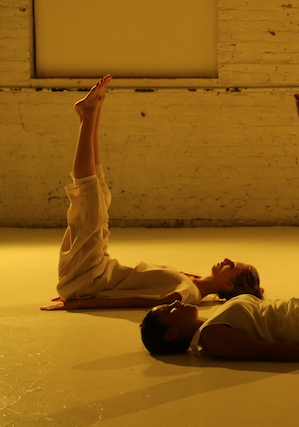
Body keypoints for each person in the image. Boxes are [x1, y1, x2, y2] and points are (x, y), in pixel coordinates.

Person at [140, 94, 299, 363]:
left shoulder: (214, 324)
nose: (175, 304)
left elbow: (269, 332)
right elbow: (267, 351)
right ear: (172, 334)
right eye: (169, 311)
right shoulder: (211, 338)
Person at [42, 75, 261, 311]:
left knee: (90, 197)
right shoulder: (193, 280)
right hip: (97, 271)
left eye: (232, 266)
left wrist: (78, 303)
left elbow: (141, 302)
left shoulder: (188, 293)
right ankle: (90, 115)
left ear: (228, 284)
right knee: (100, 194)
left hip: (89, 279)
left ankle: (89, 115)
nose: (227, 260)